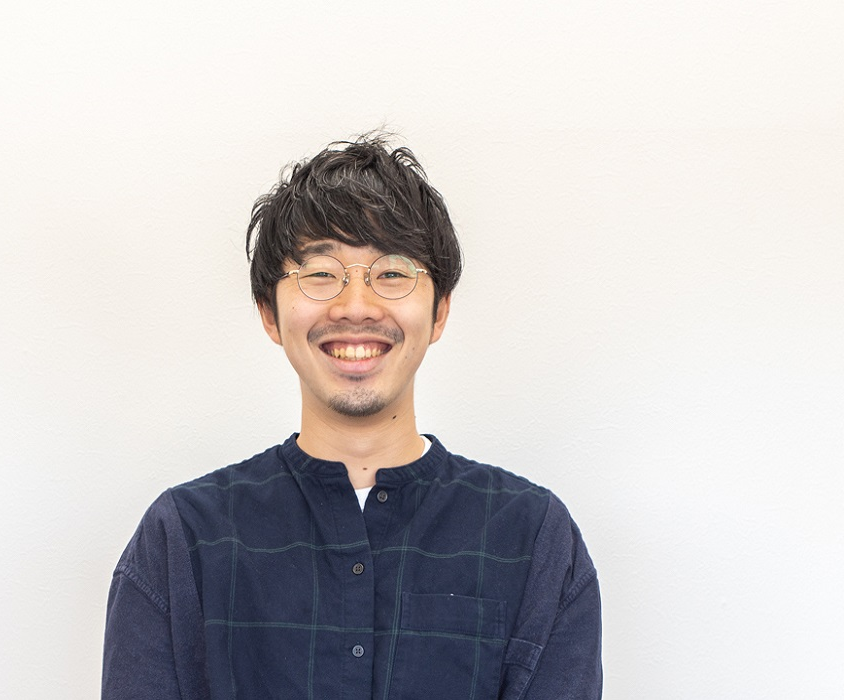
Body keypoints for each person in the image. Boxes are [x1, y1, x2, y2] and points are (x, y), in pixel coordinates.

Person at [102, 134, 602, 699]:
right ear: (269, 313)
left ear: (439, 311)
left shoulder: (532, 538)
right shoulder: (184, 538)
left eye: (392, 274)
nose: (356, 306)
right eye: (320, 273)